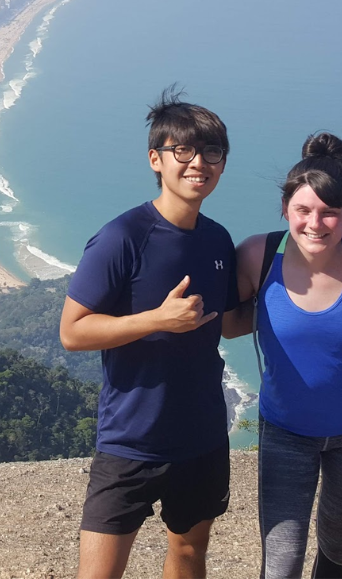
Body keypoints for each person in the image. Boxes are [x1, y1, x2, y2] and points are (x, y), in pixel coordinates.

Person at [60, 87, 249, 579]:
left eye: (211, 152)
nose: (198, 163)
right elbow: (73, 332)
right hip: (130, 440)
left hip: (202, 436)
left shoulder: (218, 239)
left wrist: (303, 301)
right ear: (155, 159)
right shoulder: (123, 237)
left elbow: (228, 322)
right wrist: (156, 320)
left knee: (189, 555)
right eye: (181, 151)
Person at [234, 133, 342, 579]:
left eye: (329, 212)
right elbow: (228, 323)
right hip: (285, 430)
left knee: (337, 553)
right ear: (285, 208)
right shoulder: (257, 254)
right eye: (303, 210)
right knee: (281, 562)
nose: (315, 223)